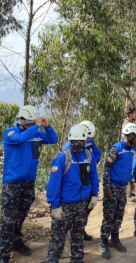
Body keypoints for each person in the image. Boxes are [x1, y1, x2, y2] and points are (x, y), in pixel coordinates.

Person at [1, 105, 58, 262]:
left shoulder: (36, 134)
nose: (34, 126)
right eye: (31, 123)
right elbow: (21, 138)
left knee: (21, 214)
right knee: (8, 219)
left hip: (28, 182)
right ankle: (3, 253)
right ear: (23, 121)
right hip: (12, 184)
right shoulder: (10, 133)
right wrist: (37, 126)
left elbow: (54, 139)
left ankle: (16, 241)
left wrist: (47, 127)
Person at [46, 125, 99, 263]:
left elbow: (93, 176)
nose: (76, 144)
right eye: (73, 141)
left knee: (78, 236)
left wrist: (94, 194)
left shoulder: (89, 156)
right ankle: (52, 260)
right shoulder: (62, 158)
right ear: (69, 140)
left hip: (82, 204)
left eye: (79, 142)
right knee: (58, 238)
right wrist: (55, 205)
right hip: (65, 205)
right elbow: (53, 184)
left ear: (84, 141)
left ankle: (77, 259)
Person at [99, 123, 136, 259]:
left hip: (123, 188)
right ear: (130, 135)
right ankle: (104, 242)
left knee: (119, 214)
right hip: (113, 187)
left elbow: (128, 168)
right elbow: (106, 168)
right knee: (109, 216)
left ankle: (114, 238)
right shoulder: (116, 149)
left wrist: (131, 182)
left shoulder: (131, 150)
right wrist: (107, 187)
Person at [61, 120, 101, 241]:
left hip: (86, 183)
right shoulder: (68, 148)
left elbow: (97, 154)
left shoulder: (89, 143)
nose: (88, 139)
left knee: (85, 211)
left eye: (89, 138)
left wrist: (92, 163)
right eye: (87, 137)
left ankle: (80, 230)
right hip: (72, 189)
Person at [122, 108, 136, 202]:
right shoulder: (126, 125)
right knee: (128, 170)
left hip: (132, 150)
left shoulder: (131, 123)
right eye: (134, 113)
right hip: (129, 151)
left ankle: (130, 191)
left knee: (131, 170)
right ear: (130, 114)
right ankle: (126, 194)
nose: (135, 115)